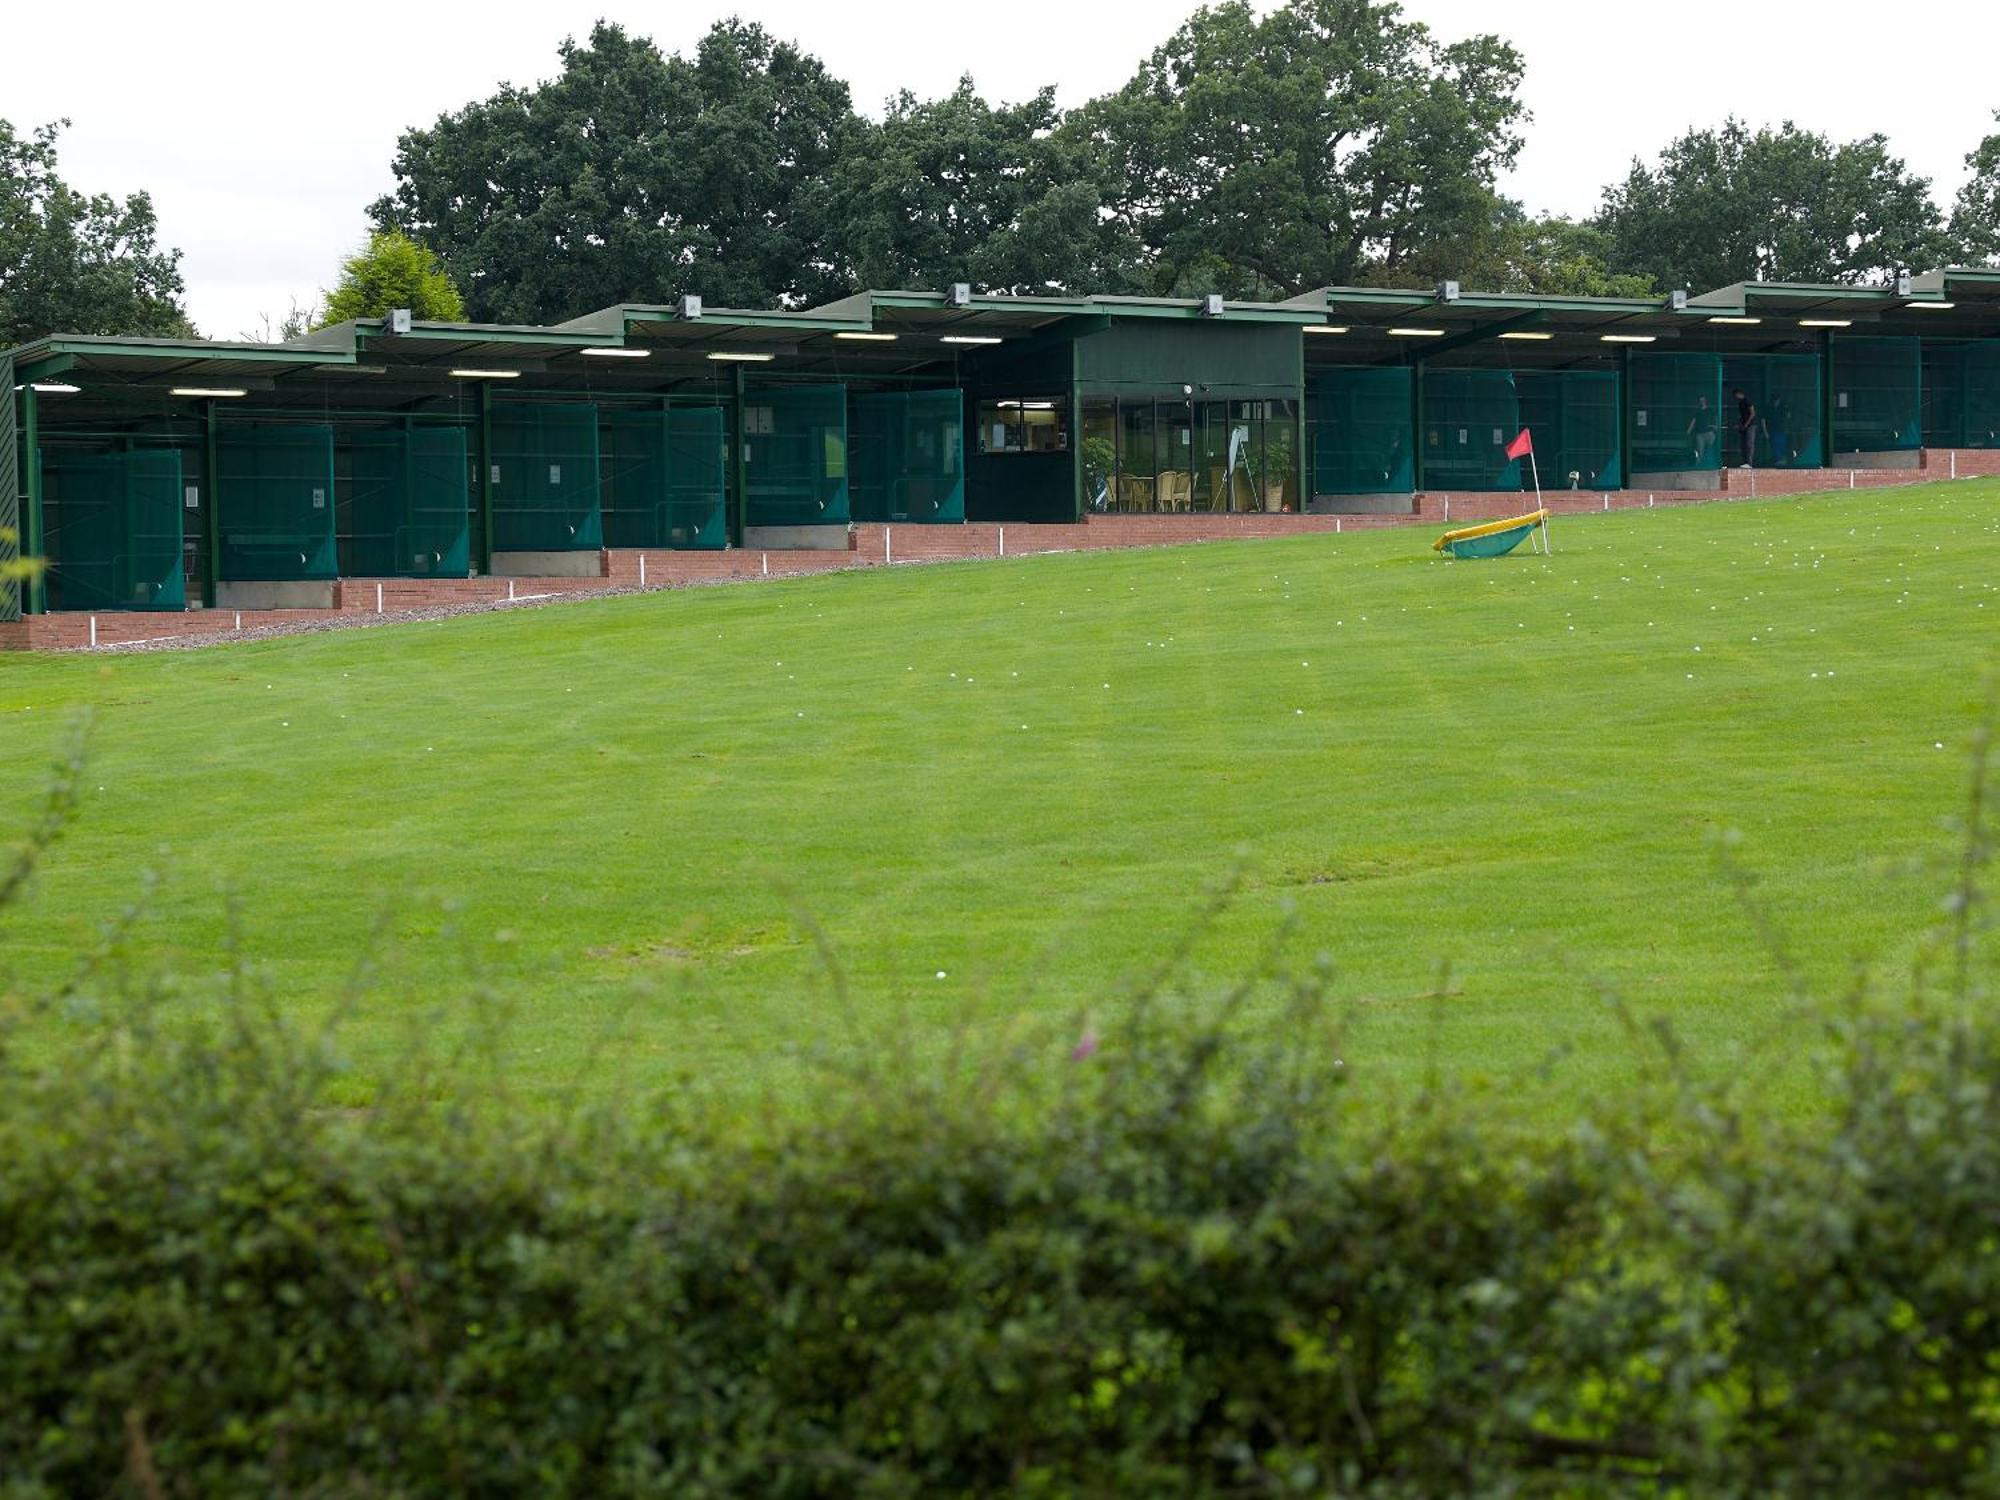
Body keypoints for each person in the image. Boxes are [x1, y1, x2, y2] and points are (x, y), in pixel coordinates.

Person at [1731, 387, 1757, 468]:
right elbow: (1742, 416)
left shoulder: (1747, 401)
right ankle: (1745, 462)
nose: (1735, 398)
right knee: (1744, 445)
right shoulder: (1740, 403)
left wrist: (1746, 424)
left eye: (1735, 395)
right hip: (1744, 426)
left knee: (1749, 444)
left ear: (1739, 394)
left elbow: (1752, 413)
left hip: (1751, 425)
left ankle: (1749, 463)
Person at [1687, 395, 1717, 466]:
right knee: (1700, 450)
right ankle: (1699, 465)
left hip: (1709, 432)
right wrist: (1689, 429)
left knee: (1711, 449)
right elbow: (1693, 420)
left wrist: (1716, 426)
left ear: (1706, 401)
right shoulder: (1697, 410)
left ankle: (1711, 463)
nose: (1702, 402)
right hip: (1700, 433)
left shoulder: (1710, 409)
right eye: (1701, 401)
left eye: (1703, 400)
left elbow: (1715, 418)